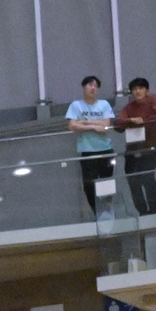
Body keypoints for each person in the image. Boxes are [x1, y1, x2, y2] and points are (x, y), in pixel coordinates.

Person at [66, 75, 116, 218]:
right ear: (84, 87)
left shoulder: (104, 104)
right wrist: (94, 126)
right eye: (90, 85)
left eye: (95, 86)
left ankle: (107, 210)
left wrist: (85, 122)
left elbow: (106, 124)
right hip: (87, 151)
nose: (93, 88)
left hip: (105, 149)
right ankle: (97, 212)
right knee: (89, 185)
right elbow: (72, 125)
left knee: (106, 184)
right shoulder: (76, 105)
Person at [117, 77, 156, 215]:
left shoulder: (153, 101)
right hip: (132, 150)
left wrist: (142, 121)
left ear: (146, 90)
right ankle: (142, 211)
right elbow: (118, 124)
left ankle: (154, 209)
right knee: (133, 181)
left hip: (149, 148)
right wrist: (131, 121)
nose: (138, 91)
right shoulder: (129, 107)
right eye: (135, 89)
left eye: (140, 88)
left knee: (148, 178)